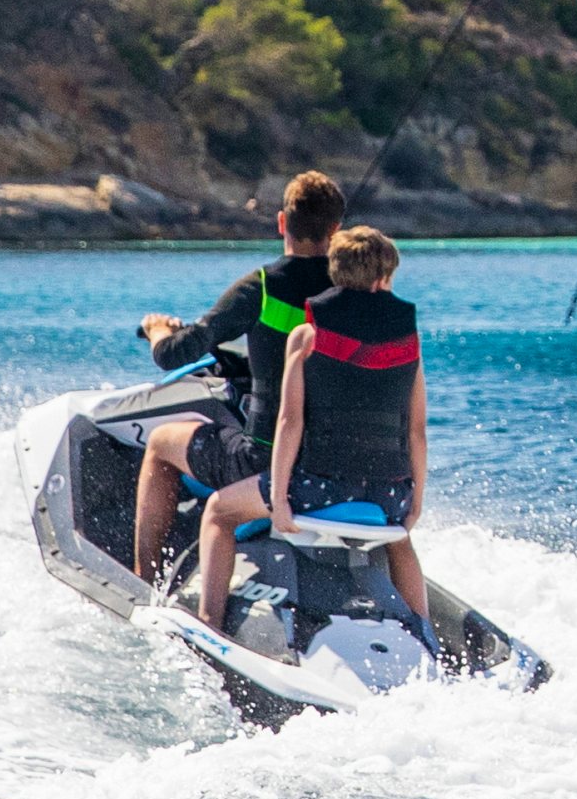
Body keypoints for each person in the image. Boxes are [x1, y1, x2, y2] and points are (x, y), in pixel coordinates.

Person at [191, 224, 433, 641]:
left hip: (319, 489)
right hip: (389, 495)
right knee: (399, 540)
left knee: (217, 511)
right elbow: (417, 431)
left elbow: (290, 422)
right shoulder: (407, 339)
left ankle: (209, 624)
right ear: (383, 280)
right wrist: (414, 504)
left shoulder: (307, 335)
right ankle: (425, 634)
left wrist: (280, 500)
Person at [125, 171, 342, 575]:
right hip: (332, 459)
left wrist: (158, 332)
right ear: (336, 229)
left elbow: (175, 354)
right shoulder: (354, 293)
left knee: (160, 443)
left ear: (282, 222)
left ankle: (145, 578)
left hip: (262, 458)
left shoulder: (261, 287)